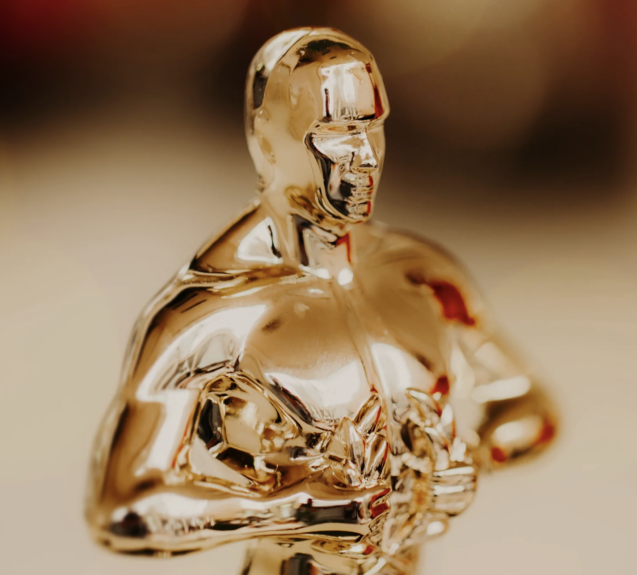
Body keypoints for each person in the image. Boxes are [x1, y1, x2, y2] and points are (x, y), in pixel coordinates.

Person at [86, 27, 557, 575]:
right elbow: (124, 507)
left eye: (372, 127)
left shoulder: (421, 276)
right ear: (268, 142)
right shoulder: (208, 317)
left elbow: (527, 402)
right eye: (335, 131)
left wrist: (471, 459)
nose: (364, 156)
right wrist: (292, 509)